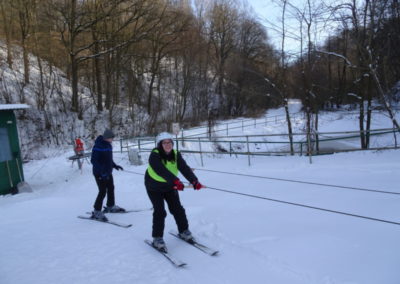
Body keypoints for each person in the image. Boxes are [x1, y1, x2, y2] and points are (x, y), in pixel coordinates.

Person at [145, 132, 204, 251]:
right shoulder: (154, 155)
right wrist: (176, 181)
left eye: (169, 142)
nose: (167, 144)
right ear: (160, 145)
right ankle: (157, 238)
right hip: (154, 187)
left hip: (170, 186)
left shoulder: (176, 154)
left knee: (177, 208)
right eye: (164, 142)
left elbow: (184, 168)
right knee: (160, 211)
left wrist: (194, 181)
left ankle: (184, 231)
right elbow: (160, 170)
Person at [90, 129, 125, 221]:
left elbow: (108, 159)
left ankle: (110, 206)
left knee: (111, 188)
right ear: (107, 137)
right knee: (102, 191)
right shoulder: (98, 146)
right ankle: (97, 211)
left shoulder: (108, 145)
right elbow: (94, 161)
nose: (112, 140)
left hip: (108, 172)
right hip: (99, 173)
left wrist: (114, 165)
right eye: (111, 138)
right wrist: (102, 172)